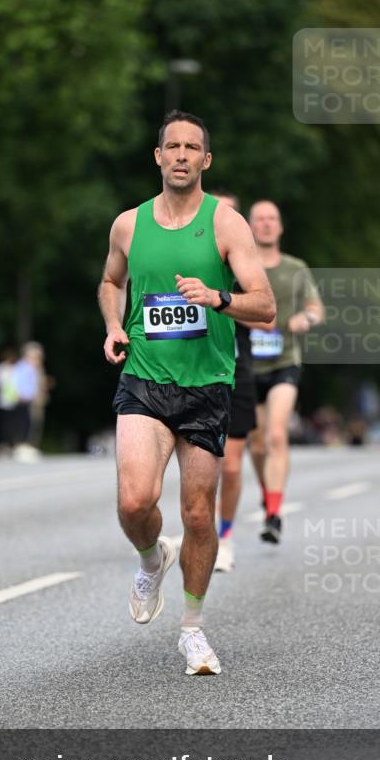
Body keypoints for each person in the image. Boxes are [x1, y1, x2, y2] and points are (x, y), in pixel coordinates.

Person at [98, 111, 275, 676]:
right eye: (170, 146)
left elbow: (266, 307)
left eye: (191, 147)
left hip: (207, 386)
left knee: (198, 515)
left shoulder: (227, 225)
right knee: (133, 502)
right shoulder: (128, 224)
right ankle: (152, 559)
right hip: (145, 378)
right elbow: (110, 281)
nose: (179, 155)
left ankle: (193, 631)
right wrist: (114, 325)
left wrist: (217, 298)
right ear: (157, 157)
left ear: (206, 160)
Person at [248, 200, 323, 544]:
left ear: (280, 227)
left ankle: (274, 515)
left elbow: (316, 309)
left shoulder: (296, 268)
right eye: (259, 219)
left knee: (277, 435)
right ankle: (269, 493)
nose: (265, 224)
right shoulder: (241, 266)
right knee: (257, 443)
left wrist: (302, 320)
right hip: (247, 364)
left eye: (271, 219)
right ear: (250, 226)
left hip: (284, 362)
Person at [209, 191, 258, 574]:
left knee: (229, 466)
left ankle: (224, 536)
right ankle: (200, 531)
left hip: (235, 371)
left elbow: (268, 316)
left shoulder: (245, 264)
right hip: (191, 371)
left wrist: (220, 299)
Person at [0, 347, 19, 452]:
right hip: (2, 401)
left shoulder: (15, 369)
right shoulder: (0, 369)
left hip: (13, 401)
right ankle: (2, 444)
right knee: (3, 424)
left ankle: (10, 444)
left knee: (12, 424)